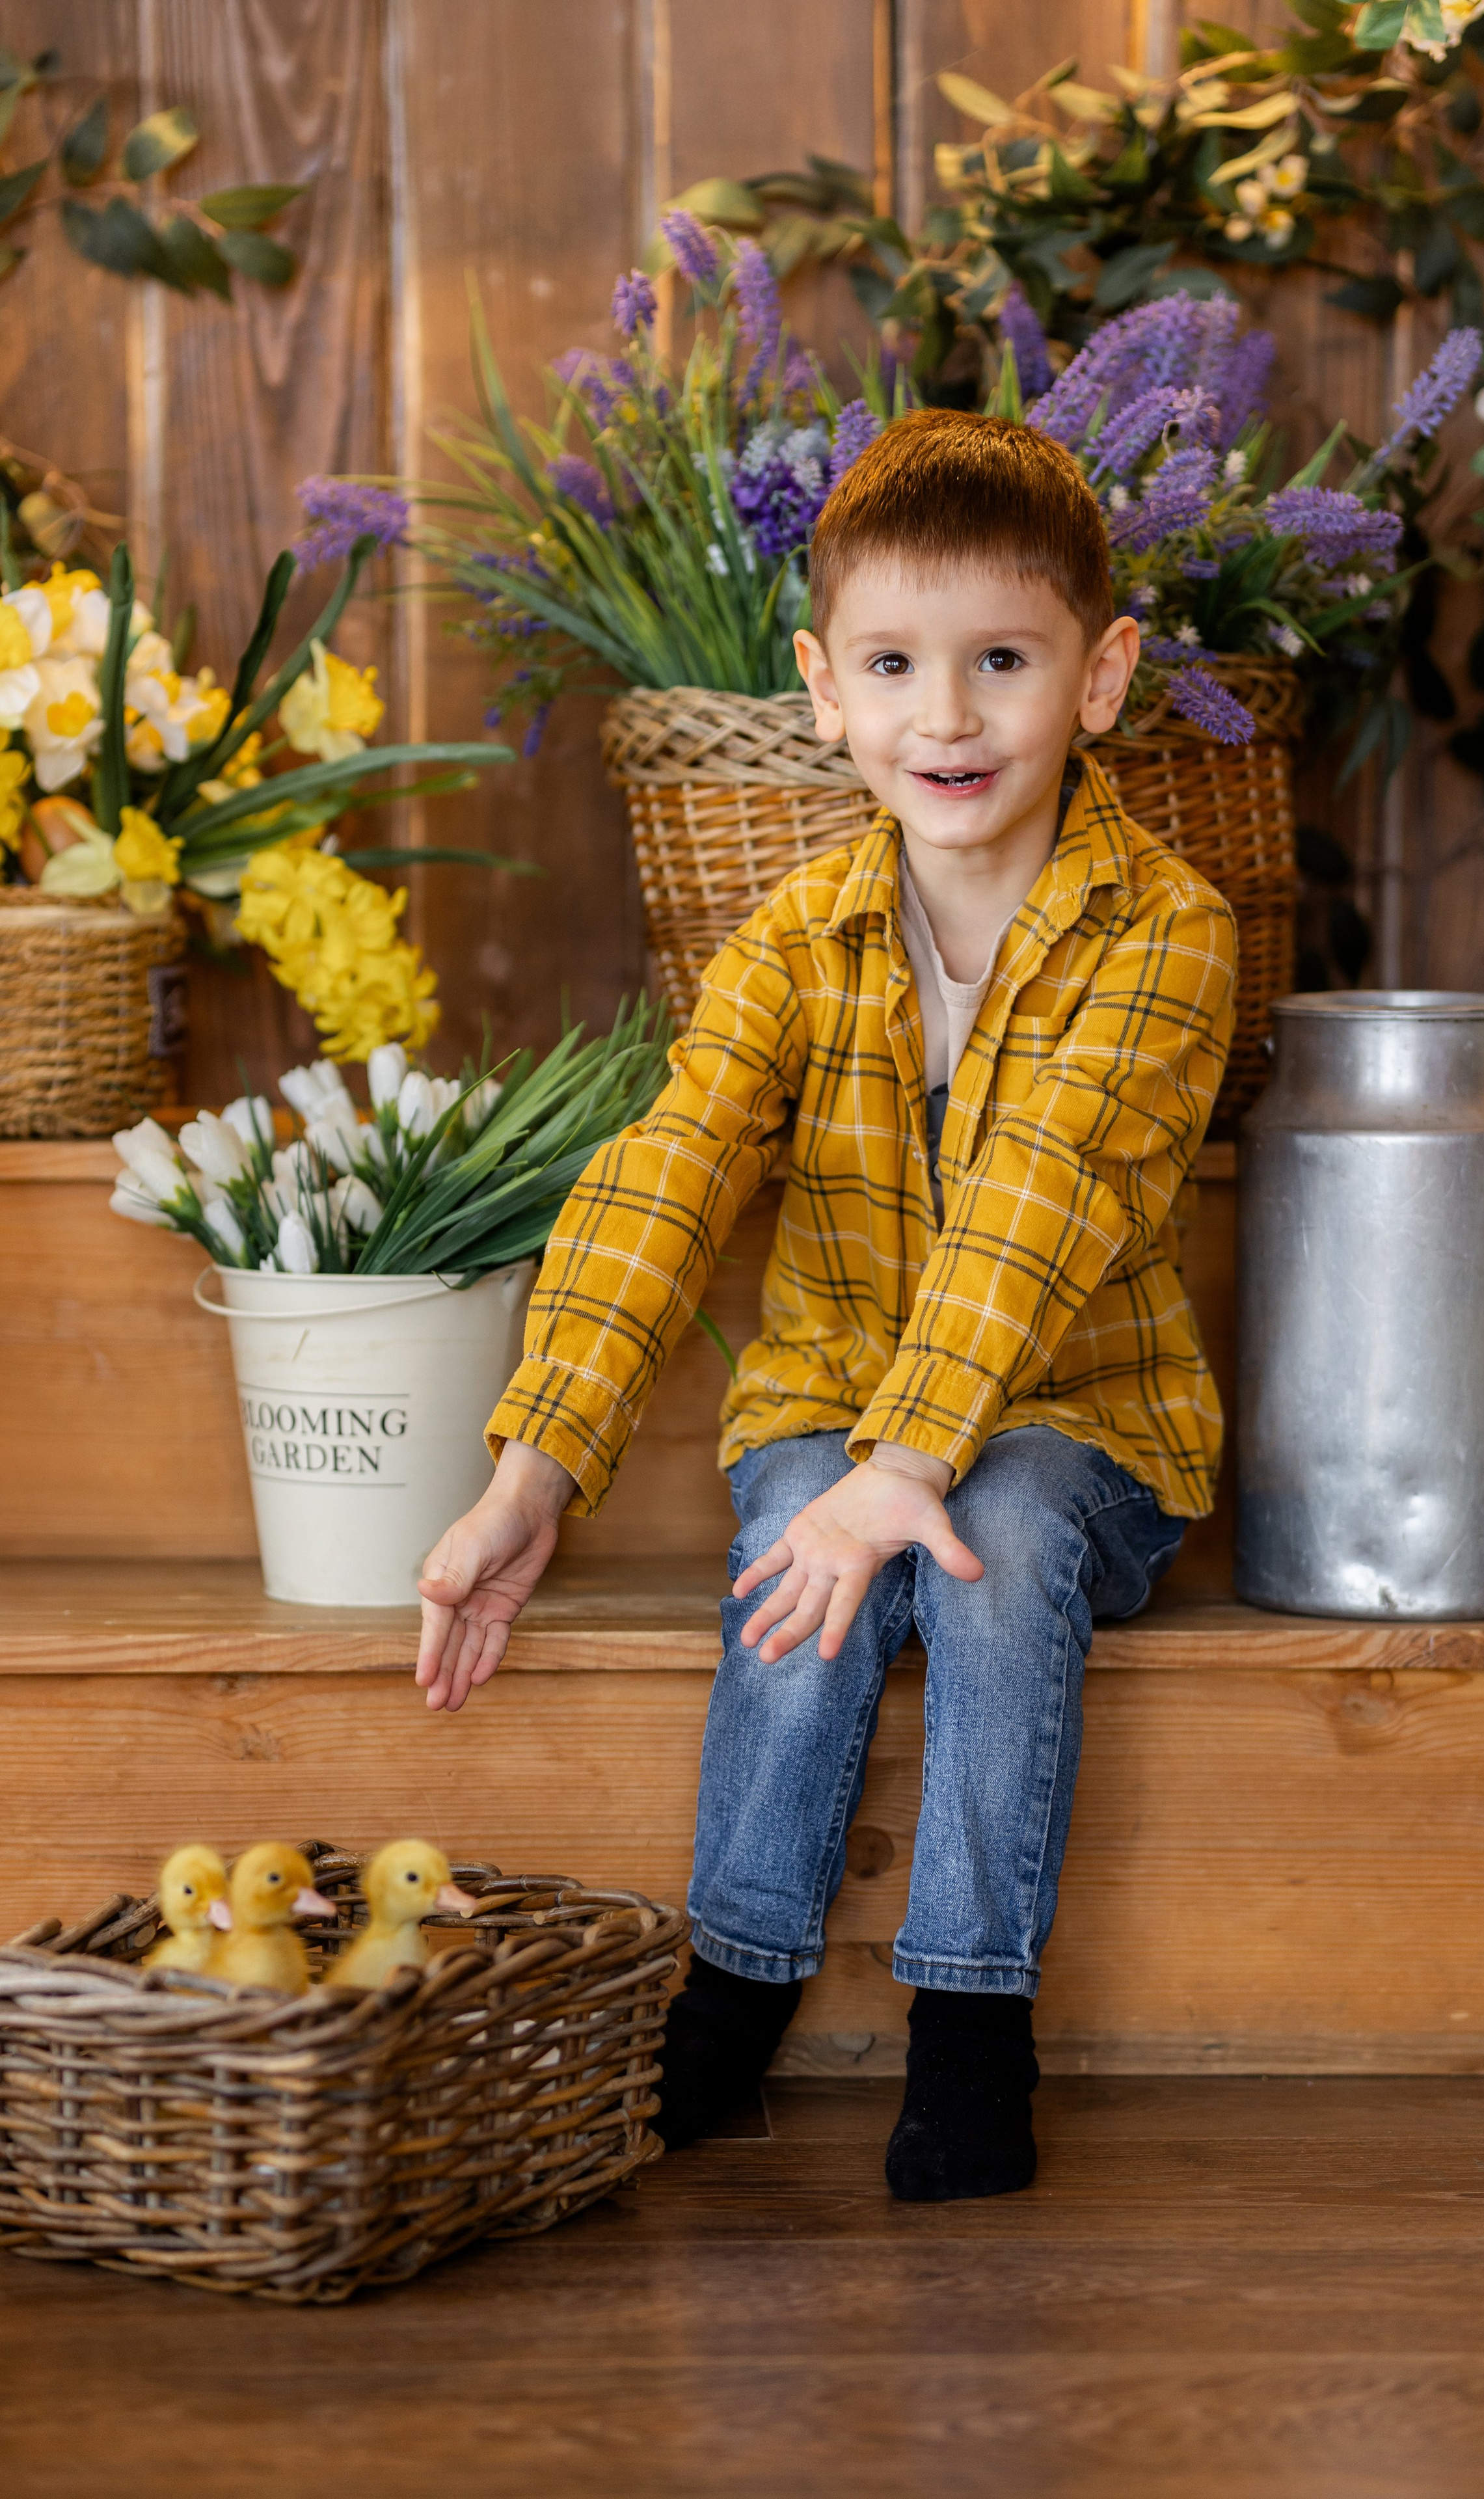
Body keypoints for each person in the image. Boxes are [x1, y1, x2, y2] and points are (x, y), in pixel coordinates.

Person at [413, 408, 1237, 2202]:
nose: (947, 717)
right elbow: (670, 1176)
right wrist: (534, 1467)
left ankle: (971, 2020)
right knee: (805, 1522)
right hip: (838, 1393)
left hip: (1088, 1421)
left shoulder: (1168, 929)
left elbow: (1045, 1203)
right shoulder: (796, 936)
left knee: (992, 1538)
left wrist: (920, 1457)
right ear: (822, 689)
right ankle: (741, 1973)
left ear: (1099, 678)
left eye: (1001, 661)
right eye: (895, 664)